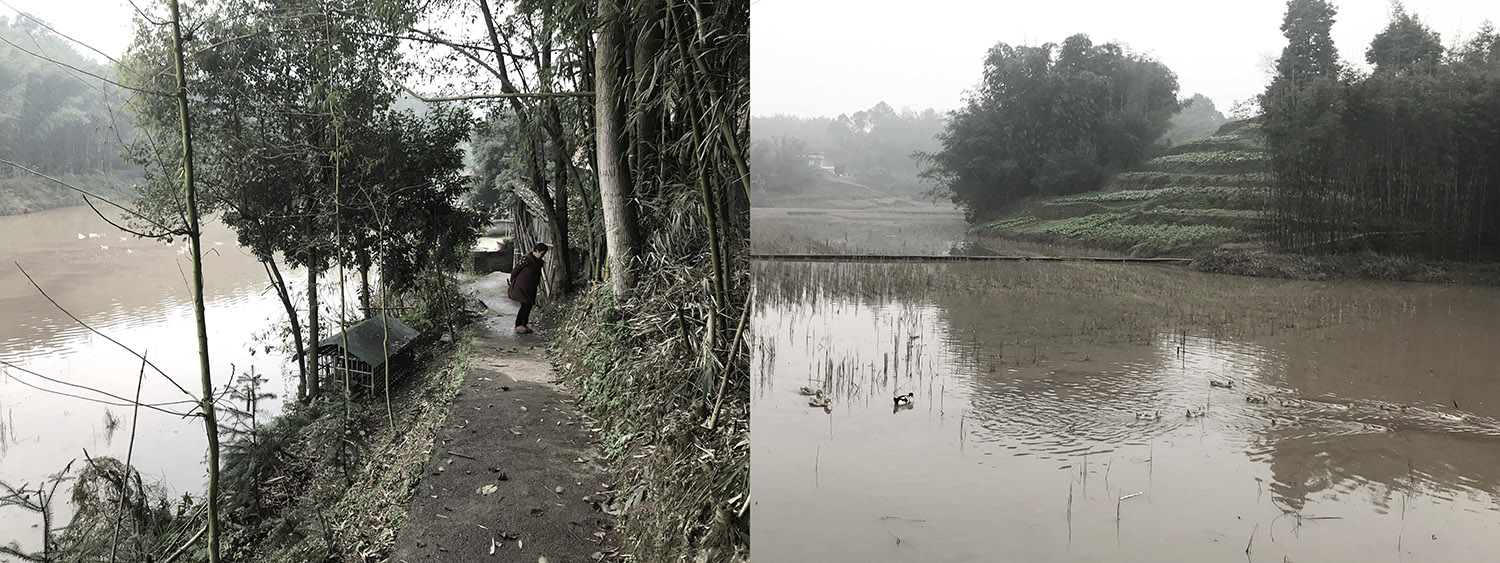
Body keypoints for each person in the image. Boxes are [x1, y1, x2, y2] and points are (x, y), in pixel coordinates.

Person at [507, 242, 548, 333]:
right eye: (542, 253)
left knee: (528, 306)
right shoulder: (526, 258)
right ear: (536, 251)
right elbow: (516, 270)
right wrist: (513, 281)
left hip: (531, 287)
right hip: (522, 287)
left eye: (544, 254)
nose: (542, 256)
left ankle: (524, 324)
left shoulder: (539, 262)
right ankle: (518, 325)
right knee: (525, 305)